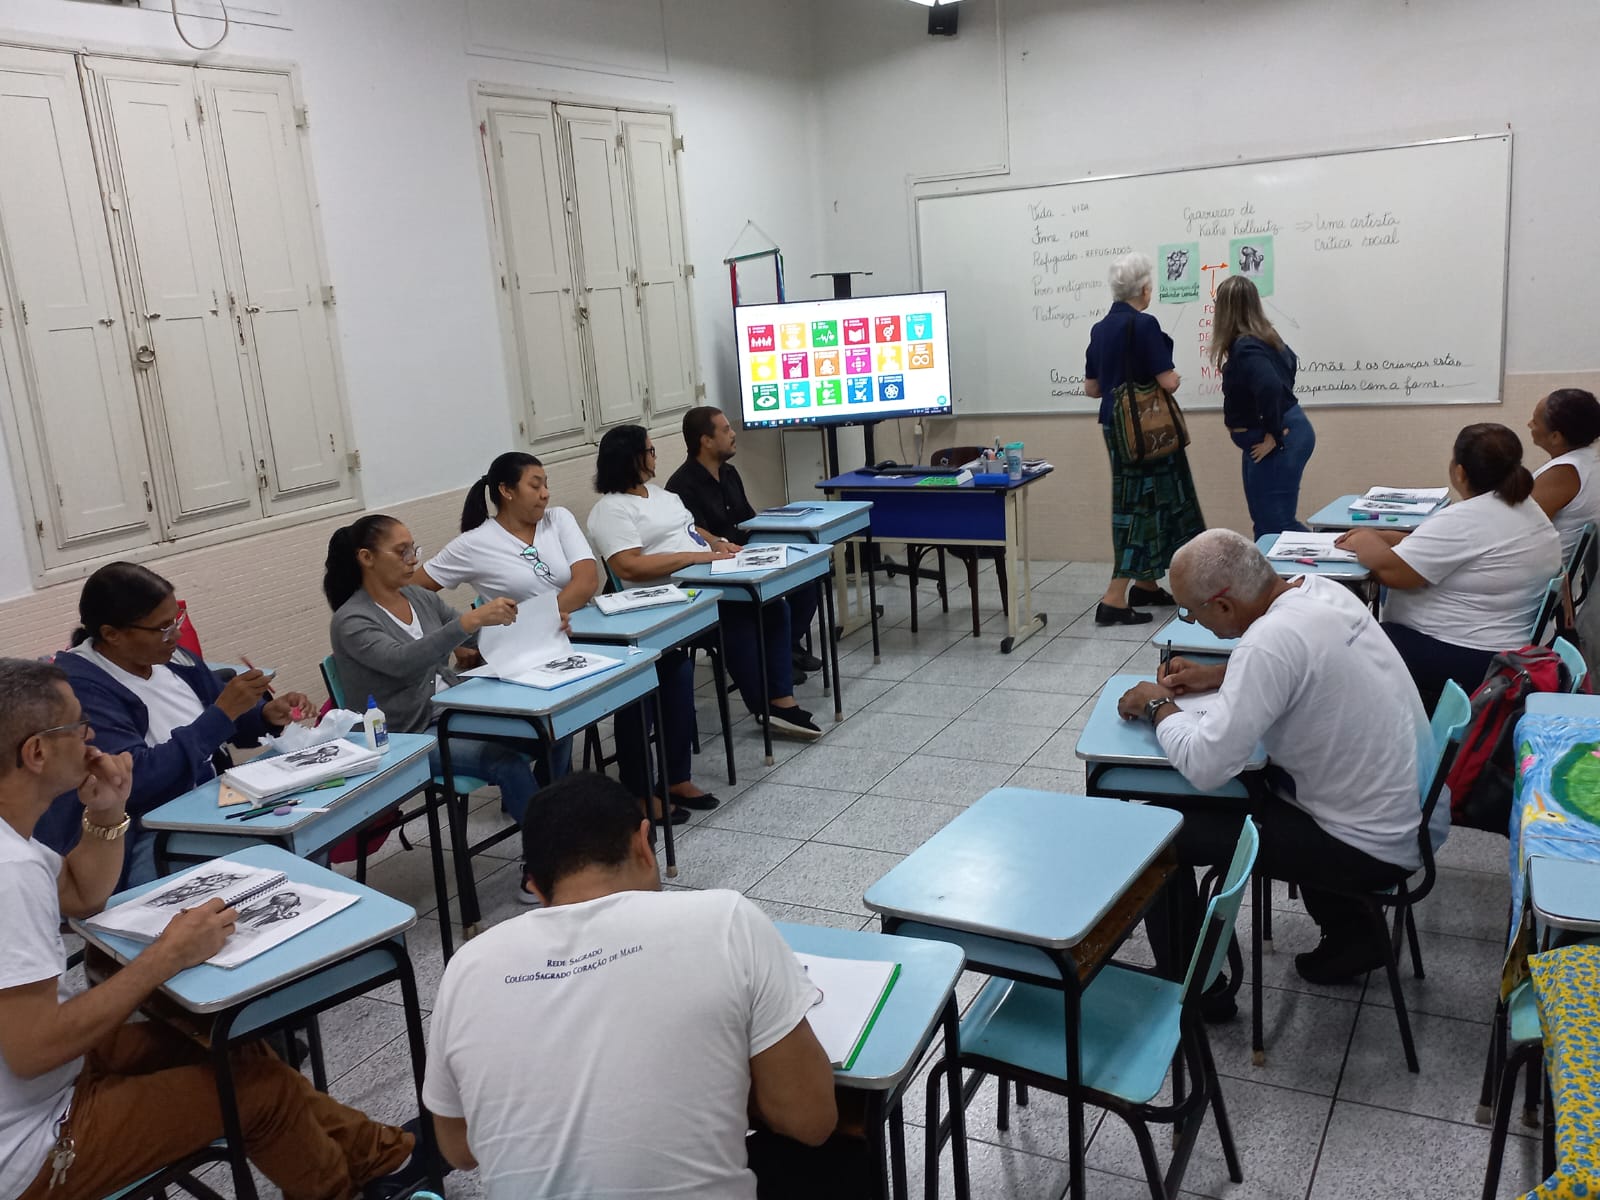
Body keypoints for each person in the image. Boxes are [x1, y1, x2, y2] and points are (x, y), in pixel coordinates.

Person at [0, 658, 424, 1200]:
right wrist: (167, 956)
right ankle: (354, 1182)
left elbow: (82, 895)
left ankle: (384, 1158)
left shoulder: (16, 839)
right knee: (256, 1094)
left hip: (48, 1081)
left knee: (236, 1049)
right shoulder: (9, 872)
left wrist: (108, 814)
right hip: (33, 1143)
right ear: (36, 752)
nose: (92, 740)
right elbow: (34, 1049)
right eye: (79, 728)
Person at [422, 772, 837, 1199]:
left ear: (536, 888)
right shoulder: (724, 920)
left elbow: (457, 1149)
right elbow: (811, 1119)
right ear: (644, 843)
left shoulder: (468, 967)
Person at [1116, 530, 1432, 988]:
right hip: (1401, 814)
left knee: (1158, 837)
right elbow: (1298, 666)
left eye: (1191, 611)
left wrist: (1155, 706)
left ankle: (1197, 993)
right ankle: (1354, 932)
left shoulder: (1267, 643)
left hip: (1366, 846)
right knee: (1258, 783)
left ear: (1223, 605)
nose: (1192, 621)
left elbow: (1206, 766)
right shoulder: (1321, 591)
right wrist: (1219, 675)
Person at [588, 427, 821, 815]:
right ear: (630, 457)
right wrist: (695, 559)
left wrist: (714, 543)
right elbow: (628, 565)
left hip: (700, 583)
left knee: (772, 603)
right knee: (671, 670)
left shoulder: (662, 495)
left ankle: (681, 774)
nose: (655, 456)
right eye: (649, 450)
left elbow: (688, 530)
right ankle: (643, 787)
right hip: (659, 603)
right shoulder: (611, 509)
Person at [40, 563, 310, 889]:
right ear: (112, 634)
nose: (177, 635)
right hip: (145, 833)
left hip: (210, 805)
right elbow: (131, 779)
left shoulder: (173, 660)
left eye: (176, 621)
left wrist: (265, 715)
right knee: (286, 850)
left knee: (303, 826)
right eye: (163, 628)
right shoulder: (82, 687)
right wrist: (223, 713)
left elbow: (228, 726)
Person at [325, 514, 549, 903]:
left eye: (414, 548)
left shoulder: (418, 596)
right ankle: (544, 866)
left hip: (451, 712)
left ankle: (553, 837)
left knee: (546, 730)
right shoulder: (351, 620)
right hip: (403, 736)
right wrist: (466, 621)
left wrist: (540, 623)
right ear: (367, 557)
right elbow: (402, 660)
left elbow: (477, 630)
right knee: (505, 761)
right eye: (402, 551)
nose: (412, 558)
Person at [1338, 423, 1563, 711]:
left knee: (1350, 640)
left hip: (1470, 655)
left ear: (1460, 472)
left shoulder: (1467, 519)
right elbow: (1450, 549)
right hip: (1507, 649)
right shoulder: (1521, 507)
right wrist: (1393, 540)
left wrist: (1365, 538)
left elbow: (1393, 574)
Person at [414, 451, 601, 784]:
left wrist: (541, 621)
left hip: (577, 634)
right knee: (557, 714)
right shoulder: (474, 544)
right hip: (523, 655)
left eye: (546, 485)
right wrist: (454, 641)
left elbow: (586, 582)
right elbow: (413, 593)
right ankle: (554, 797)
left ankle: (556, 789)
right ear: (507, 491)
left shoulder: (557, 519)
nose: (545, 493)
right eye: (535, 485)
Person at [1083, 252, 1205, 625]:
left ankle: (1146, 585)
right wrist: (1174, 379)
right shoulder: (1145, 324)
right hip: (1147, 433)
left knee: (1140, 503)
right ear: (1144, 290)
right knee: (1140, 509)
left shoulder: (1100, 329)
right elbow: (1167, 380)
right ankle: (1114, 599)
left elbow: (1092, 388)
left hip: (1114, 427)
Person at [666, 406, 822, 680]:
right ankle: (775, 662)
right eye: (726, 430)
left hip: (748, 554)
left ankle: (786, 648)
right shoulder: (682, 485)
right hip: (718, 568)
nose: (733, 434)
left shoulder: (730, 473)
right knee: (774, 604)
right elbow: (692, 532)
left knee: (808, 578)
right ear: (706, 440)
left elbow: (748, 519)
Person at [1210, 275, 1316, 538]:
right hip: (1282, 432)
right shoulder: (1265, 338)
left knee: (1277, 524)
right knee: (1266, 523)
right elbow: (1289, 365)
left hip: (1280, 438)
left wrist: (1274, 433)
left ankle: (1341, 566)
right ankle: (1270, 579)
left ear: (1226, 309)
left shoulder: (1246, 346)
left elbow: (1269, 386)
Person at [1528, 387, 1600, 561]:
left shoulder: (1562, 473)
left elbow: (1518, 532)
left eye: (1535, 422)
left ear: (1555, 437)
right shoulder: (1589, 459)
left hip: (1541, 576)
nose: (1529, 424)